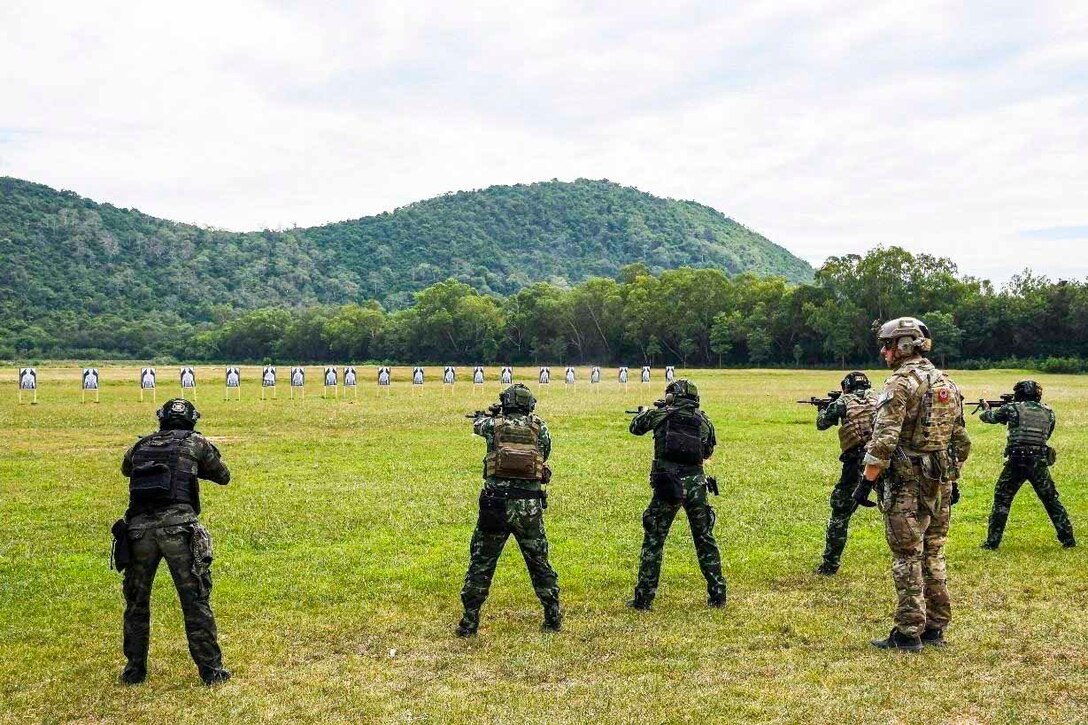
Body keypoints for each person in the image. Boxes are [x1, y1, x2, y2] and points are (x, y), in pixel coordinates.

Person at [854, 317, 970, 651]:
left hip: (907, 483)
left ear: (904, 345)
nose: (883, 350)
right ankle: (935, 626)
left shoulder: (899, 383)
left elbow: (884, 439)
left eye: (887, 344)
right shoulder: (946, 382)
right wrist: (953, 476)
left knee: (907, 555)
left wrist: (866, 481)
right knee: (934, 552)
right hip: (941, 481)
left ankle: (907, 632)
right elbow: (960, 440)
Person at [115, 398, 231, 685]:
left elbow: (126, 469)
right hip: (179, 530)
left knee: (136, 603)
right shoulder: (196, 443)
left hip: (139, 532)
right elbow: (222, 475)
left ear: (161, 419)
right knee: (195, 601)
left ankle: (134, 671)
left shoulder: (141, 446)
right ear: (192, 420)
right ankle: (212, 672)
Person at [457, 384, 560, 636]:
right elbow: (544, 453)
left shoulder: (494, 426)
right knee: (538, 561)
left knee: (482, 562)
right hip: (529, 506)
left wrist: (492, 415)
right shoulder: (540, 428)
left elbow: (477, 425)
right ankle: (552, 615)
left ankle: (469, 622)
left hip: (496, 505)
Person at [627, 379, 726, 610]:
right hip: (697, 485)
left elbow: (635, 427)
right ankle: (718, 594)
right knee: (705, 540)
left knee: (654, 541)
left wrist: (649, 412)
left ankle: (644, 599)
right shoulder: (704, 421)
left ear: (673, 395)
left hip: (668, 485)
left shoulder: (661, 415)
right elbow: (708, 449)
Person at [979, 380, 1075, 549]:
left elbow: (989, 418)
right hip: (1039, 461)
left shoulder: (1011, 408)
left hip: (1016, 461)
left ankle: (992, 542)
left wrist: (986, 408)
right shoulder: (1049, 412)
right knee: (1051, 500)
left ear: (1019, 393)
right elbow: (1046, 435)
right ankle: (1068, 539)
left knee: (1002, 499)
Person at [814, 371, 879, 575]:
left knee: (840, 512)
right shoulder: (879, 398)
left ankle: (830, 563)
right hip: (881, 458)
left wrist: (823, 408)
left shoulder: (842, 402)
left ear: (846, 387)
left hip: (855, 462)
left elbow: (822, 424)